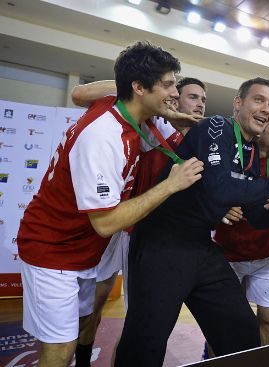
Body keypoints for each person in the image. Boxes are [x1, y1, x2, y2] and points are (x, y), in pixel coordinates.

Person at [16, 41, 204, 367]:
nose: (175, 93)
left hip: (82, 250)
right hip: (52, 249)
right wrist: (171, 185)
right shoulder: (102, 136)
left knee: (79, 331)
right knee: (59, 350)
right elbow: (105, 222)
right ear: (139, 87)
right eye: (168, 84)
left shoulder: (132, 114)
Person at [114, 77, 269, 366]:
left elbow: (255, 215)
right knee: (145, 346)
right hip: (161, 244)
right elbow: (220, 189)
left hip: (200, 246)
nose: (267, 109)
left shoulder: (250, 151)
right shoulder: (216, 127)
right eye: (259, 100)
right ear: (238, 103)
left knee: (244, 336)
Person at [70, 77, 207, 366]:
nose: (199, 104)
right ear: (172, 98)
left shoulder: (199, 140)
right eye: (192, 97)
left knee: (139, 320)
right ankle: (83, 357)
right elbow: (80, 93)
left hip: (153, 240)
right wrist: (141, 81)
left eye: (203, 100)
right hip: (118, 225)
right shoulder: (154, 123)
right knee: (93, 306)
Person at [214, 109, 269, 345]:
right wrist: (220, 207)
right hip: (230, 254)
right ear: (260, 128)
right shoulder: (233, 155)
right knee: (224, 322)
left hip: (267, 254)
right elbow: (209, 188)